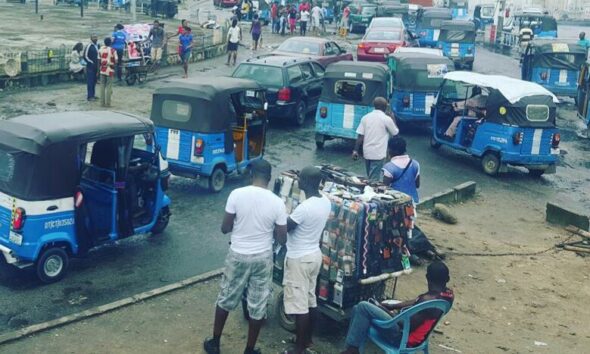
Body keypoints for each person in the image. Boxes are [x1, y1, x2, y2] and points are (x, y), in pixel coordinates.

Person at [203, 159, 288, 354]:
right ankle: (250, 349)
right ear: (269, 178)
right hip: (262, 258)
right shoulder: (277, 203)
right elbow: (282, 238)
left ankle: (215, 343)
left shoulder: (236, 195)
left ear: (251, 175)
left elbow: (225, 228)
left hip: (238, 254)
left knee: (226, 297)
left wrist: (238, 226)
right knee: (258, 304)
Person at [340, 261, 454, 354]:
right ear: (447, 279)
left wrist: (382, 309)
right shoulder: (447, 296)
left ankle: (352, 350)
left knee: (363, 307)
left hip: (402, 338)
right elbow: (416, 302)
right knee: (356, 309)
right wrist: (393, 306)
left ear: (427, 277)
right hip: (418, 334)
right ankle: (351, 348)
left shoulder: (426, 300)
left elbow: (404, 324)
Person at [282, 167, 331, 354]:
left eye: (300, 178)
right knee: (311, 300)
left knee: (299, 306)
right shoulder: (325, 201)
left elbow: (286, 227)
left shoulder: (305, 208)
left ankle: (299, 349)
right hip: (314, 256)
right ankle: (307, 340)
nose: (298, 181)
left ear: (307, 183)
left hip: (299, 259)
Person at [352, 97, 399, 182]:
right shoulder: (386, 119)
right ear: (385, 107)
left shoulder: (365, 117)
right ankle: (370, 193)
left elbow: (360, 136)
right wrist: (392, 117)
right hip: (378, 154)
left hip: (367, 152)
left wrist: (355, 150)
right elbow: (395, 133)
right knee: (373, 180)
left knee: (370, 176)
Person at [383, 136, 420, 204]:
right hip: (413, 201)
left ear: (390, 150)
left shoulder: (389, 167)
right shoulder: (415, 164)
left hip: (397, 203)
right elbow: (417, 185)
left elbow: (384, 188)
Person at [98, 37, 117, 108]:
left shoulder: (100, 49)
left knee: (102, 86)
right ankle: (108, 103)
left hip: (102, 69)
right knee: (109, 86)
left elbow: (99, 61)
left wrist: (98, 70)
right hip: (110, 69)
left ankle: (102, 103)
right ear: (111, 43)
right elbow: (116, 61)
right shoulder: (113, 50)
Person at [83, 34, 99, 101]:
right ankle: (89, 96)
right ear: (91, 38)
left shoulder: (98, 46)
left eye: (96, 37)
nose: (95, 38)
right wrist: (90, 62)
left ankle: (93, 95)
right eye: (93, 37)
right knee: (90, 81)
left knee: (94, 81)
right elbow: (85, 56)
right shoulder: (89, 46)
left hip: (96, 66)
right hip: (90, 66)